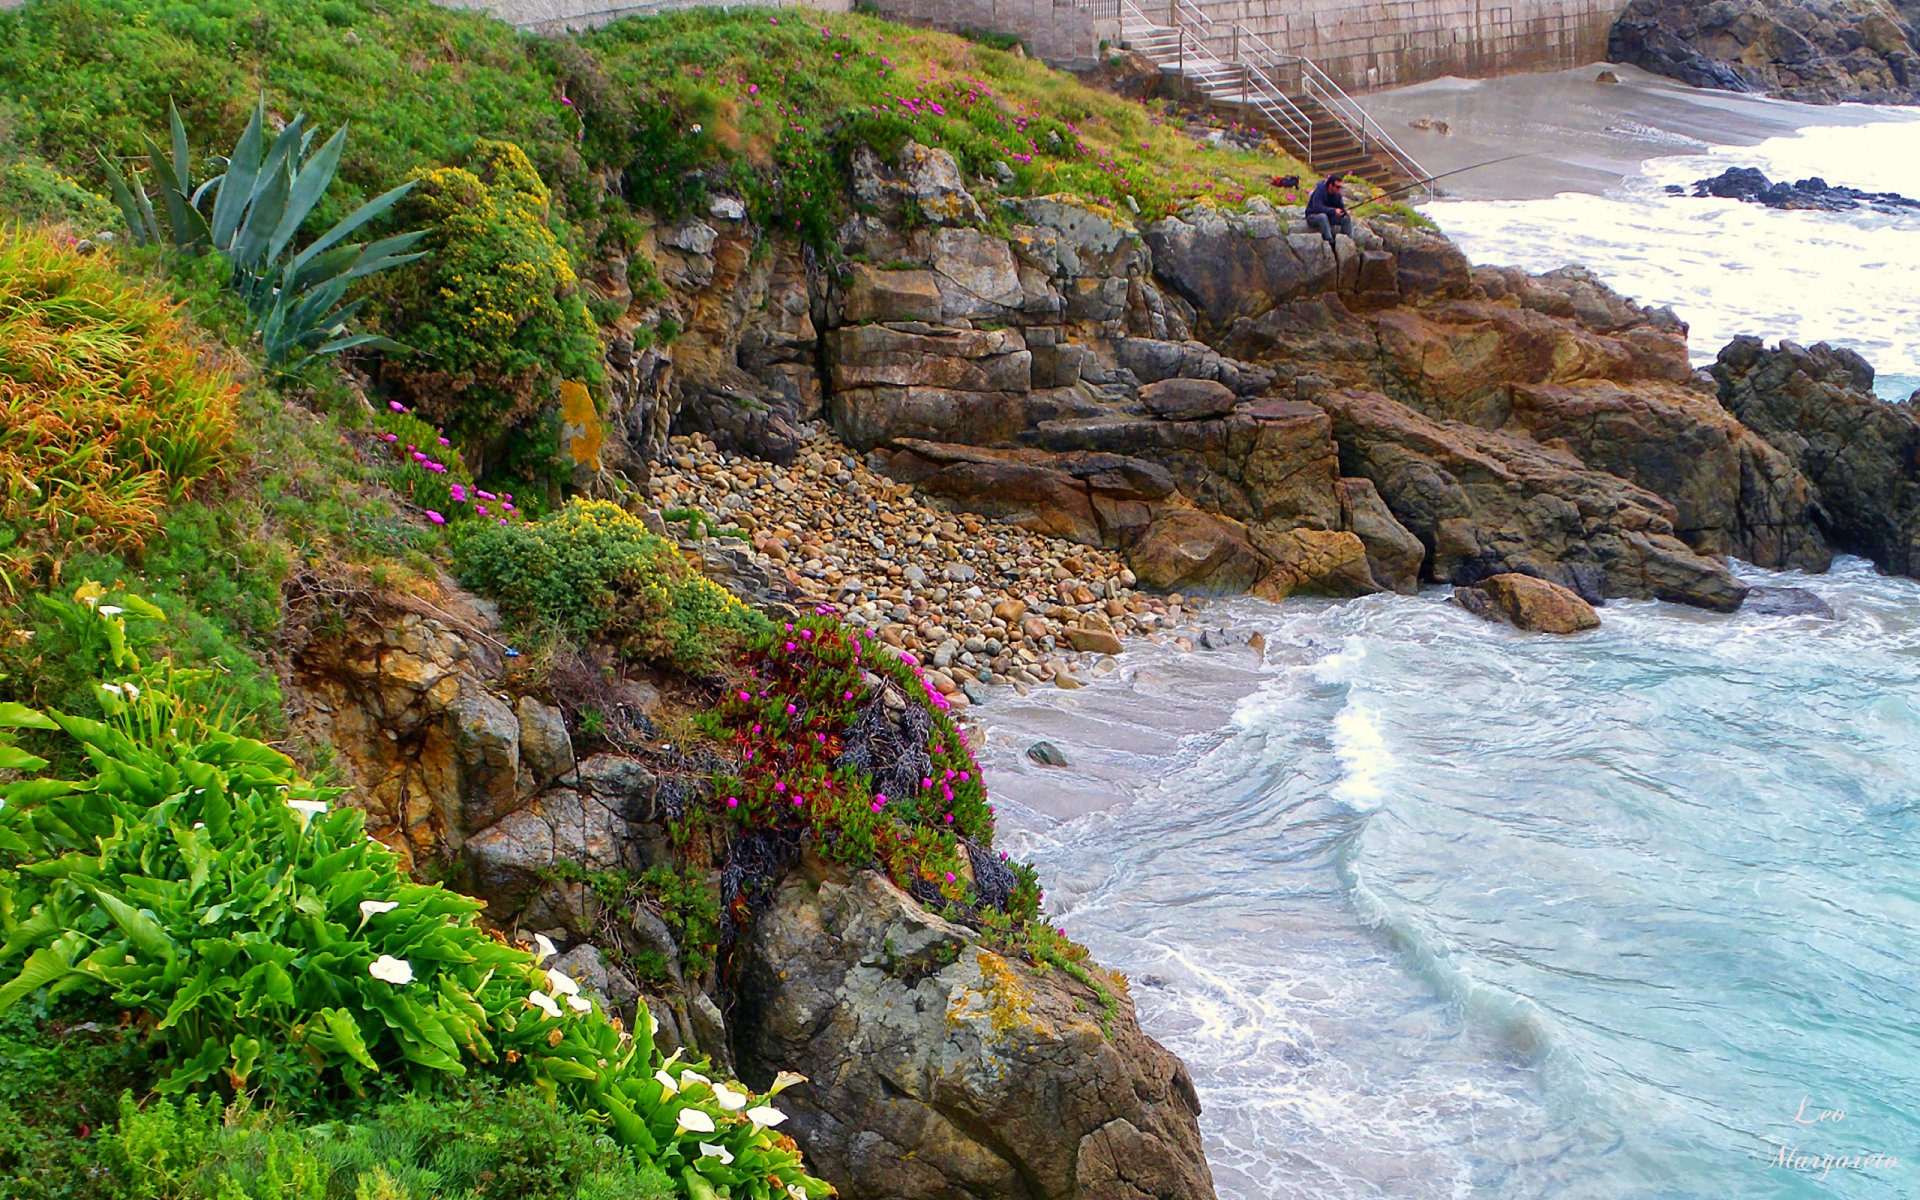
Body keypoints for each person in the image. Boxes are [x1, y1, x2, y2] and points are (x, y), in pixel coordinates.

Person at [1305, 172, 1352, 249]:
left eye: (1340, 187)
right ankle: (1330, 242)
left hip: (1329, 217)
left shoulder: (1338, 195)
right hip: (1313, 216)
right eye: (1337, 187)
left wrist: (1344, 212)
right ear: (1330, 185)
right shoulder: (1320, 191)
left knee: (1346, 218)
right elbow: (1317, 208)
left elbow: (1341, 207)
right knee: (1323, 217)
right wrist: (1333, 210)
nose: (1339, 189)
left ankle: (1348, 241)